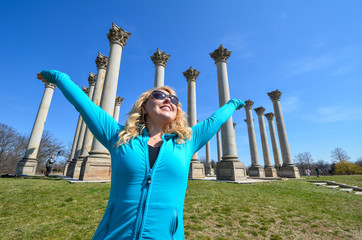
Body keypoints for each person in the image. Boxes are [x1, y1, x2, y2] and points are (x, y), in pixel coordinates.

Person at [37, 70, 245, 240]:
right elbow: (85, 106)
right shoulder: (118, 137)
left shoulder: (186, 142)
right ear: (144, 107)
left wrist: (234, 103)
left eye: (173, 99)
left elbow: (214, 120)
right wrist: (59, 78)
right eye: (159, 95)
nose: (168, 100)